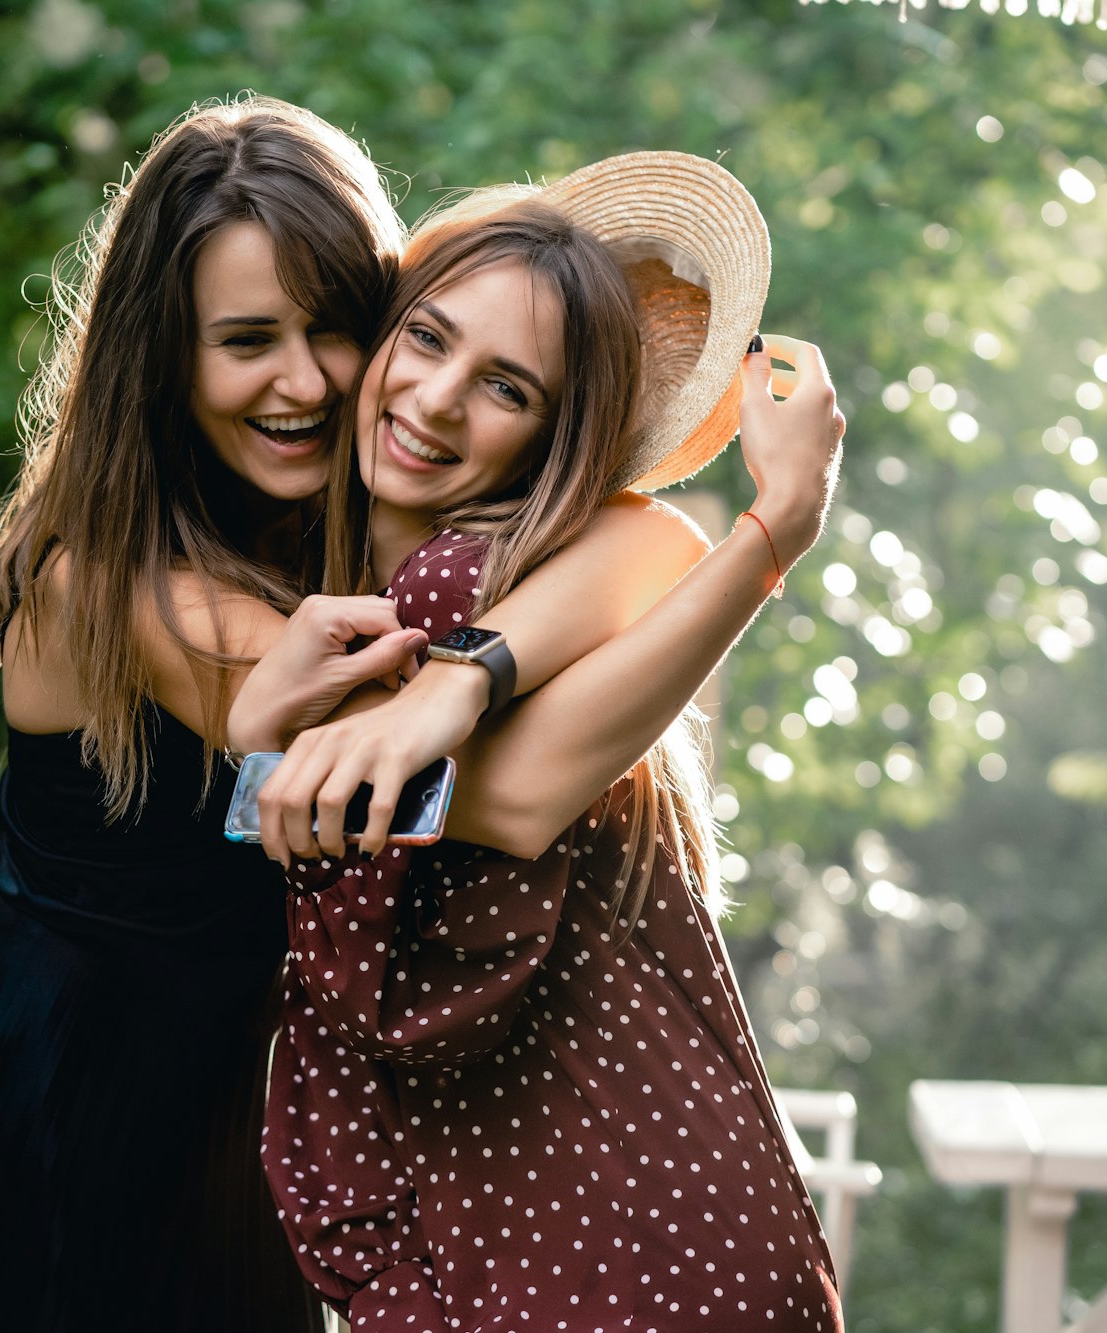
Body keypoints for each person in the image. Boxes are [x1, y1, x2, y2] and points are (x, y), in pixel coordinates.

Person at [0, 96, 408, 1333]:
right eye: (247, 339)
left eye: (337, 327)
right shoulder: (116, 584)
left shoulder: (288, 557)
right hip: (37, 1136)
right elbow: (482, 771)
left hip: (199, 1147)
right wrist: (742, 548)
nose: (304, 379)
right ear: (162, 355)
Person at [255, 167, 849, 1331]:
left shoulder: (478, 574)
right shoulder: (326, 580)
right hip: (628, 1221)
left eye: (505, 389)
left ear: (550, 436)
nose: (432, 400)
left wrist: (775, 526)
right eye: (424, 337)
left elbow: (515, 797)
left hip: (608, 1238)